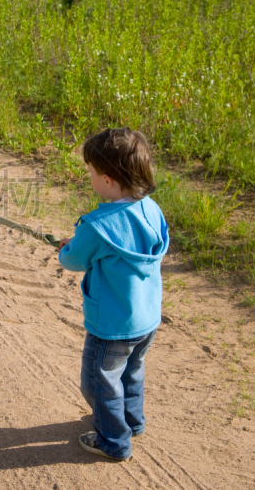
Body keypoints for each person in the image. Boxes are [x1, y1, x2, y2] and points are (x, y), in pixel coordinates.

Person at [57, 128, 169, 461]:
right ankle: (132, 422)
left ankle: (114, 441)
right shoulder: (152, 210)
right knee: (132, 371)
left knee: (99, 383)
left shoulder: (97, 225)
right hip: (146, 318)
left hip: (112, 326)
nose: (88, 177)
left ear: (107, 180)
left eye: (90, 172)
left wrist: (71, 247)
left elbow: (74, 258)